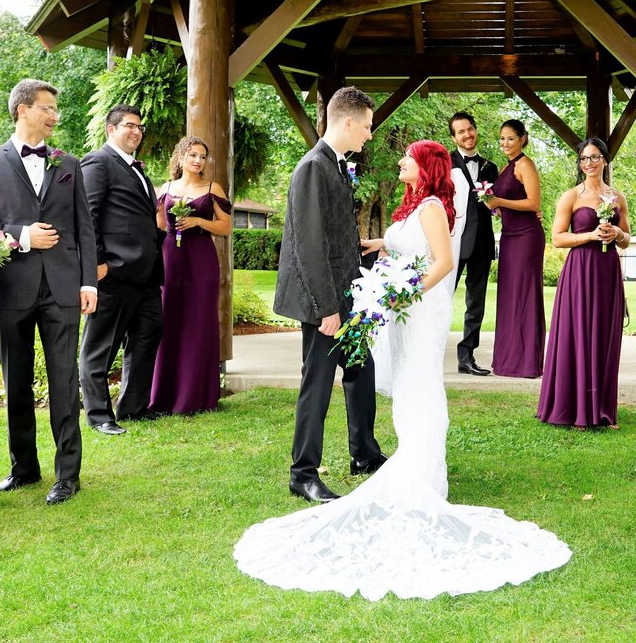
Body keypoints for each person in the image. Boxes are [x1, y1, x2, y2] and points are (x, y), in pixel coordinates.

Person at [234, 141, 571, 600]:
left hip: (417, 312)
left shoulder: (433, 206)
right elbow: (404, 244)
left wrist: (403, 293)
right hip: (403, 311)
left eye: (407, 159)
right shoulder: (415, 205)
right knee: (407, 384)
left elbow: (443, 262)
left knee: (420, 383)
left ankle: (423, 468)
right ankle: (411, 455)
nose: (400, 162)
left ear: (425, 167)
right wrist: (379, 245)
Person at [0, 79, 97, 506]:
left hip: (62, 289)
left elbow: (83, 227)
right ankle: (24, 468)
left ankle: (68, 475)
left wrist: (88, 280)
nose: (55, 115)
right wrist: (20, 235)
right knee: (16, 384)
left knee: (63, 381)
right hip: (12, 287)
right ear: (23, 109)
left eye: (55, 108)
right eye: (48, 107)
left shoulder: (69, 164)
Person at [274, 86, 386, 503]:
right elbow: (308, 244)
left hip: (346, 296)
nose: (370, 135)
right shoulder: (312, 167)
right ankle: (303, 473)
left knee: (361, 370)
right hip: (324, 302)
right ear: (348, 121)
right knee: (317, 386)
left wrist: (364, 250)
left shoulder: (337, 166)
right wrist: (326, 309)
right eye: (368, 127)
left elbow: (335, 234)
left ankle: (364, 454)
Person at [79, 105, 166, 435]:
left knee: (147, 338)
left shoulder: (138, 169)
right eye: (130, 125)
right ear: (110, 130)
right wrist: (99, 263)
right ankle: (99, 415)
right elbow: (89, 216)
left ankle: (133, 406)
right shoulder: (98, 162)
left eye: (140, 127)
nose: (136, 131)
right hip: (113, 273)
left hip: (145, 276)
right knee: (100, 346)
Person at [537, 138, 631, 429]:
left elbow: (627, 239)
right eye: (583, 159)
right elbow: (557, 237)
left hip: (608, 271)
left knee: (604, 334)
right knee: (577, 333)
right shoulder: (571, 196)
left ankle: (602, 409)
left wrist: (615, 232)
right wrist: (589, 236)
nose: (588, 163)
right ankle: (574, 408)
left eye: (594, 157)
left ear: (604, 159)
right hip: (580, 270)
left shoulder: (618, 196)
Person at [151, 136, 233, 414]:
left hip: (201, 259)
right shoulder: (167, 187)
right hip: (171, 259)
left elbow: (225, 228)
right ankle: (165, 394)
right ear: (180, 157)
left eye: (202, 156)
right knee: (169, 319)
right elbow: (161, 223)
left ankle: (198, 395)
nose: (198, 161)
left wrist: (199, 220)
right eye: (193, 155)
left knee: (199, 321)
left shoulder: (212, 188)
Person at [483, 119, 545, 378]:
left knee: (525, 295)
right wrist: (496, 207)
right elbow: (509, 201)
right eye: (502, 139)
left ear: (522, 139)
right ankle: (508, 360)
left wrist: (499, 200)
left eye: (510, 138)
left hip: (526, 237)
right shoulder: (506, 168)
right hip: (508, 236)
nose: (505, 143)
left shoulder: (525, 165)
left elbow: (533, 203)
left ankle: (527, 363)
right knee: (509, 295)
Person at [448, 112, 500, 376]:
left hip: (481, 243)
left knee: (476, 303)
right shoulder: (444, 163)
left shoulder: (491, 167)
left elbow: (499, 204)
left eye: (470, 129)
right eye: (461, 132)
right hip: (452, 242)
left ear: (476, 130)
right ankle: (428, 353)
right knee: (441, 300)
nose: (467, 135)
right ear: (453, 137)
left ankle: (466, 357)